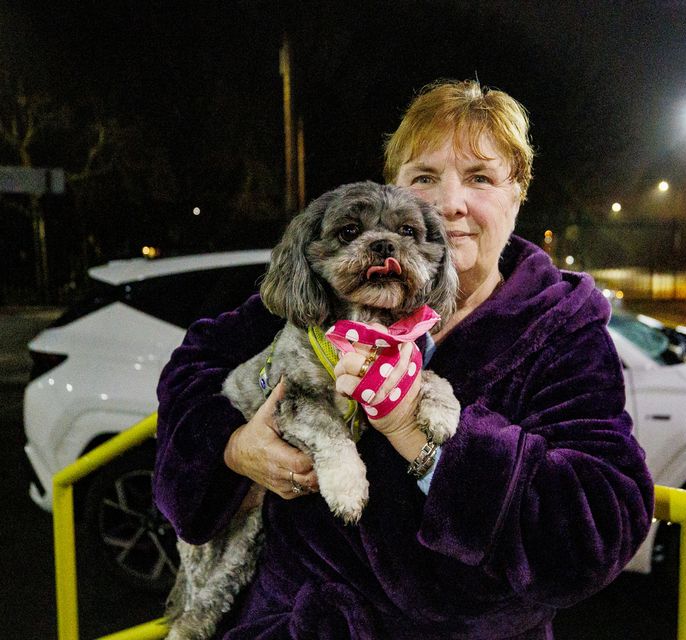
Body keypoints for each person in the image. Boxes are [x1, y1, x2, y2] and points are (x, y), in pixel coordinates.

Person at [154, 79, 654, 639]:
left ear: (517, 196)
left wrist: (418, 430)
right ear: (391, 190)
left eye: (481, 178)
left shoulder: (561, 330)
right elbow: (193, 365)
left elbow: (601, 525)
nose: (449, 203)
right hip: (288, 619)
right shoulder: (329, 286)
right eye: (423, 178)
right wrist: (231, 447)